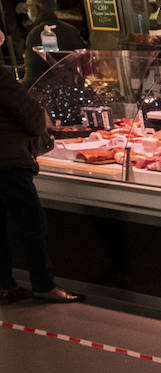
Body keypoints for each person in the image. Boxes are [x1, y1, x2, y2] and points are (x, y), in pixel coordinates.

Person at [0, 29, 80, 305]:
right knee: (32, 225)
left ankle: (5, 285)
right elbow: (33, 120)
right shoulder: (0, 76)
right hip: (8, 162)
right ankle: (43, 285)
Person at [20, 0, 83, 87]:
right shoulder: (72, 30)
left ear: (36, 7)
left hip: (49, 93)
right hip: (74, 89)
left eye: (29, 7)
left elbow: (32, 78)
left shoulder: (35, 34)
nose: (27, 11)